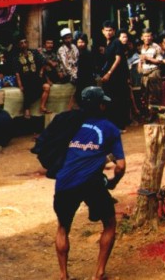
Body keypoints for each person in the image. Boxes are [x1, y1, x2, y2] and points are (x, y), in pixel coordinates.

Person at [53, 86, 126, 280]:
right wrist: (113, 183)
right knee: (109, 223)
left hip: (65, 181)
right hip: (91, 183)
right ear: (101, 105)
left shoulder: (71, 123)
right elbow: (120, 166)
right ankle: (98, 274)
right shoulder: (109, 128)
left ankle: (63, 275)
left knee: (62, 227)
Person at [100, 22, 131, 131]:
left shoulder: (117, 42)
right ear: (103, 31)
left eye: (110, 30)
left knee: (118, 101)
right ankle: (113, 125)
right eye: (106, 30)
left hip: (117, 76)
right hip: (110, 77)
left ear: (114, 31)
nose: (108, 32)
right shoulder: (107, 44)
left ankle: (119, 126)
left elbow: (118, 59)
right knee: (110, 100)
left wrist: (109, 73)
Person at [13, 35, 51, 118]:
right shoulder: (16, 57)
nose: (23, 44)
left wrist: (41, 72)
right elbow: (17, 73)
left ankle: (42, 106)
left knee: (47, 87)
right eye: (21, 43)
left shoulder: (34, 52)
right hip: (25, 79)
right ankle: (26, 110)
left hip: (37, 77)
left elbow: (43, 62)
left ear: (27, 43)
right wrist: (20, 85)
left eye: (25, 42)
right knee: (28, 90)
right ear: (19, 45)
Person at [138, 28, 163, 121]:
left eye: (149, 36)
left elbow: (160, 61)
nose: (147, 38)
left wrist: (148, 58)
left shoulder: (156, 47)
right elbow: (141, 59)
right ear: (142, 37)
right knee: (145, 94)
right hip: (145, 73)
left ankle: (154, 115)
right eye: (145, 36)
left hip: (154, 72)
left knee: (154, 95)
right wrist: (140, 65)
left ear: (152, 37)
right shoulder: (141, 48)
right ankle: (147, 114)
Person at [73, 33, 95, 107]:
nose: (81, 44)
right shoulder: (79, 53)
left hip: (86, 80)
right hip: (82, 80)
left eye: (82, 42)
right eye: (79, 42)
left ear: (86, 43)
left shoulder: (86, 53)